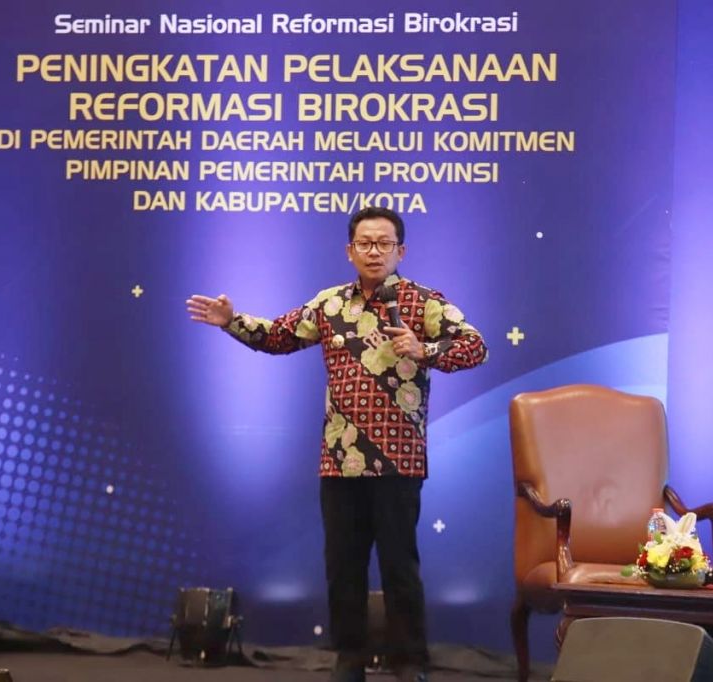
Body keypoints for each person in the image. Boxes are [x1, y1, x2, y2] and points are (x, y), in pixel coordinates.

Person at [186, 206, 488, 682]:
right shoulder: (329, 305)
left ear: (401, 251)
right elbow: (278, 336)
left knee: (399, 568)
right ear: (350, 251)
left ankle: (409, 661)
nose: (374, 252)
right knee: (343, 568)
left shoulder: (424, 302)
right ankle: (349, 659)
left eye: (384, 243)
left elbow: (475, 347)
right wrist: (231, 320)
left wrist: (423, 349)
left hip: (398, 460)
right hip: (340, 459)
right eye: (365, 243)